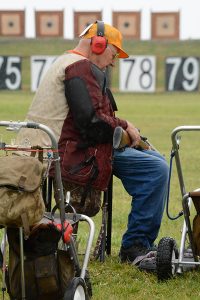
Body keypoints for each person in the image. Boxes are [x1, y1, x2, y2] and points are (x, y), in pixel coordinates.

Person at [17, 20, 169, 271]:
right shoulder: (80, 67)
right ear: (98, 44)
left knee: (156, 163)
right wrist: (124, 127)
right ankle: (135, 246)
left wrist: (123, 128)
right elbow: (92, 123)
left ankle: (136, 244)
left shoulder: (66, 61)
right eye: (113, 53)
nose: (113, 62)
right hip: (75, 151)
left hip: (66, 146)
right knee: (156, 170)